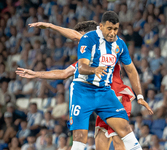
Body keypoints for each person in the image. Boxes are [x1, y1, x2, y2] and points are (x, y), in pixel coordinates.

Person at [16, 16, 153, 150]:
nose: (80, 45)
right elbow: (64, 73)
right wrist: (35, 74)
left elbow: (76, 36)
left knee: (119, 138)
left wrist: (51, 26)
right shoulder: (85, 59)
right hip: (89, 94)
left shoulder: (104, 44)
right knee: (99, 143)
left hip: (114, 95)